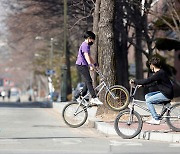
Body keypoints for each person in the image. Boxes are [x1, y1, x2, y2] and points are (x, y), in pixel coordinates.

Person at [130, 57, 174, 125]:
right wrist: (143, 85)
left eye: (150, 65)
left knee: (148, 101)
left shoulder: (159, 73)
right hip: (166, 92)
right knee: (147, 96)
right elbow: (153, 83)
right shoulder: (160, 73)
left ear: (152, 65)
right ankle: (165, 105)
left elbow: (148, 80)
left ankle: (156, 119)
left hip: (167, 94)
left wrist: (135, 81)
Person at [75, 31, 103, 105]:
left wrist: (95, 64)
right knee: (89, 81)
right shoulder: (85, 45)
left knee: (87, 82)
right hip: (81, 65)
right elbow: (86, 56)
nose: (93, 42)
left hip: (82, 65)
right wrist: (90, 65)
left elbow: (89, 57)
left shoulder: (86, 45)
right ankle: (94, 98)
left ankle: (79, 96)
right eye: (93, 40)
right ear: (89, 38)